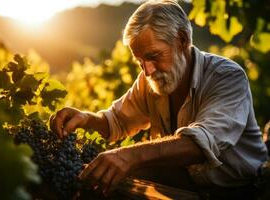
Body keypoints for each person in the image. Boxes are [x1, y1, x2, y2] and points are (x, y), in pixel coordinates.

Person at [50, 0, 268, 198]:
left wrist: (130, 156)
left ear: (182, 40)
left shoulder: (227, 77)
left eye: (153, 56)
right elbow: (116, 121)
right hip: (187, 188)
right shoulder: (150, 81)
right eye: (140, 61)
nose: (147, 70)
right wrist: (87, 119)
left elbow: (201, 144)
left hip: (241, 191)